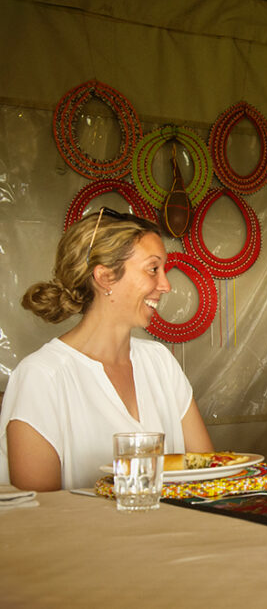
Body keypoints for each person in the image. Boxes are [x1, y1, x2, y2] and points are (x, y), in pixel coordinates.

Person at [0, 208, 214, 491]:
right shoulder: (42, 376)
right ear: (105, 277)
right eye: (153, 269)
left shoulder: (160, 362)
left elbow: (209, 473)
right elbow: (41, 516)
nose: (165, 285)